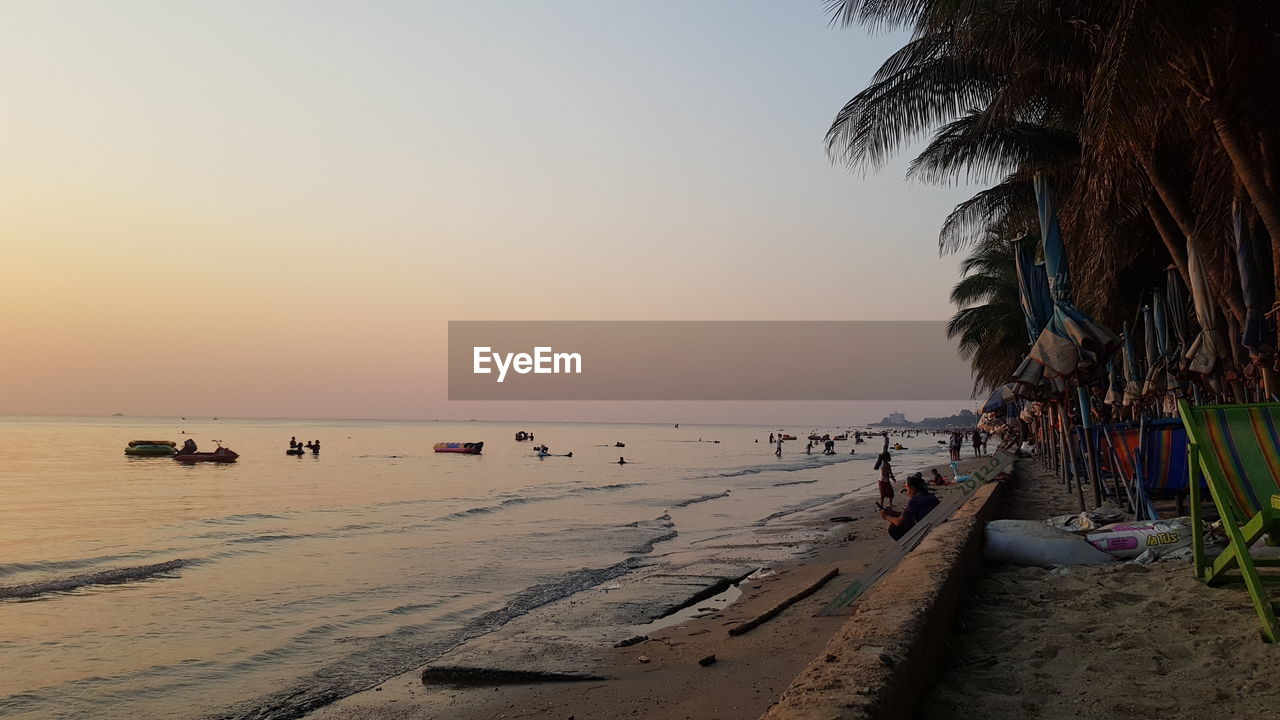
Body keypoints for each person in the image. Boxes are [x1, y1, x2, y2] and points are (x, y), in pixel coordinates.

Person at [881, 475, 941, 540]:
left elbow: (898, 522)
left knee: (893, 528)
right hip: (935, 524)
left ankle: (909, 545)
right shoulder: (931, 496)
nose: (907, 493)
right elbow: (909, 513)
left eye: (907, 489)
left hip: (926, 529)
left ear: (912, 488)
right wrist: (894, 513)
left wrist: (886, 516)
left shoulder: (915, 500)